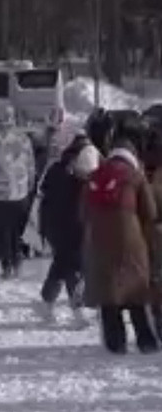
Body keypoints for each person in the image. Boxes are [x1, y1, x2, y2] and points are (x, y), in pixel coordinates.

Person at [83, 131, 159, 354]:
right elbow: (150, 212)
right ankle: (146, 341)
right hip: (131, 243)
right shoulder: (135, 177)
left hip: (100, 244)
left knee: (109, 296)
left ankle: (115, 343)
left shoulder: (94, 176)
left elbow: (83, 212)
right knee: (135, 292)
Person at [37, 136, 100, 325]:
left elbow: (44, 193)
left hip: (55, 227)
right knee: (74, 268)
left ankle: (46, 303)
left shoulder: (57, 169)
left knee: (61, 266)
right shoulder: (76, 177)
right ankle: (77, 310)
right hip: (70, 228)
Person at [0, 106, 35, 278]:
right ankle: (18, 259)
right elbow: (31, 165)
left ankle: (7, 264)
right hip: (20, 191)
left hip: (0, 192)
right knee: (17, 229)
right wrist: (29, 184)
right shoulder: (24, 139)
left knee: (3, 229)